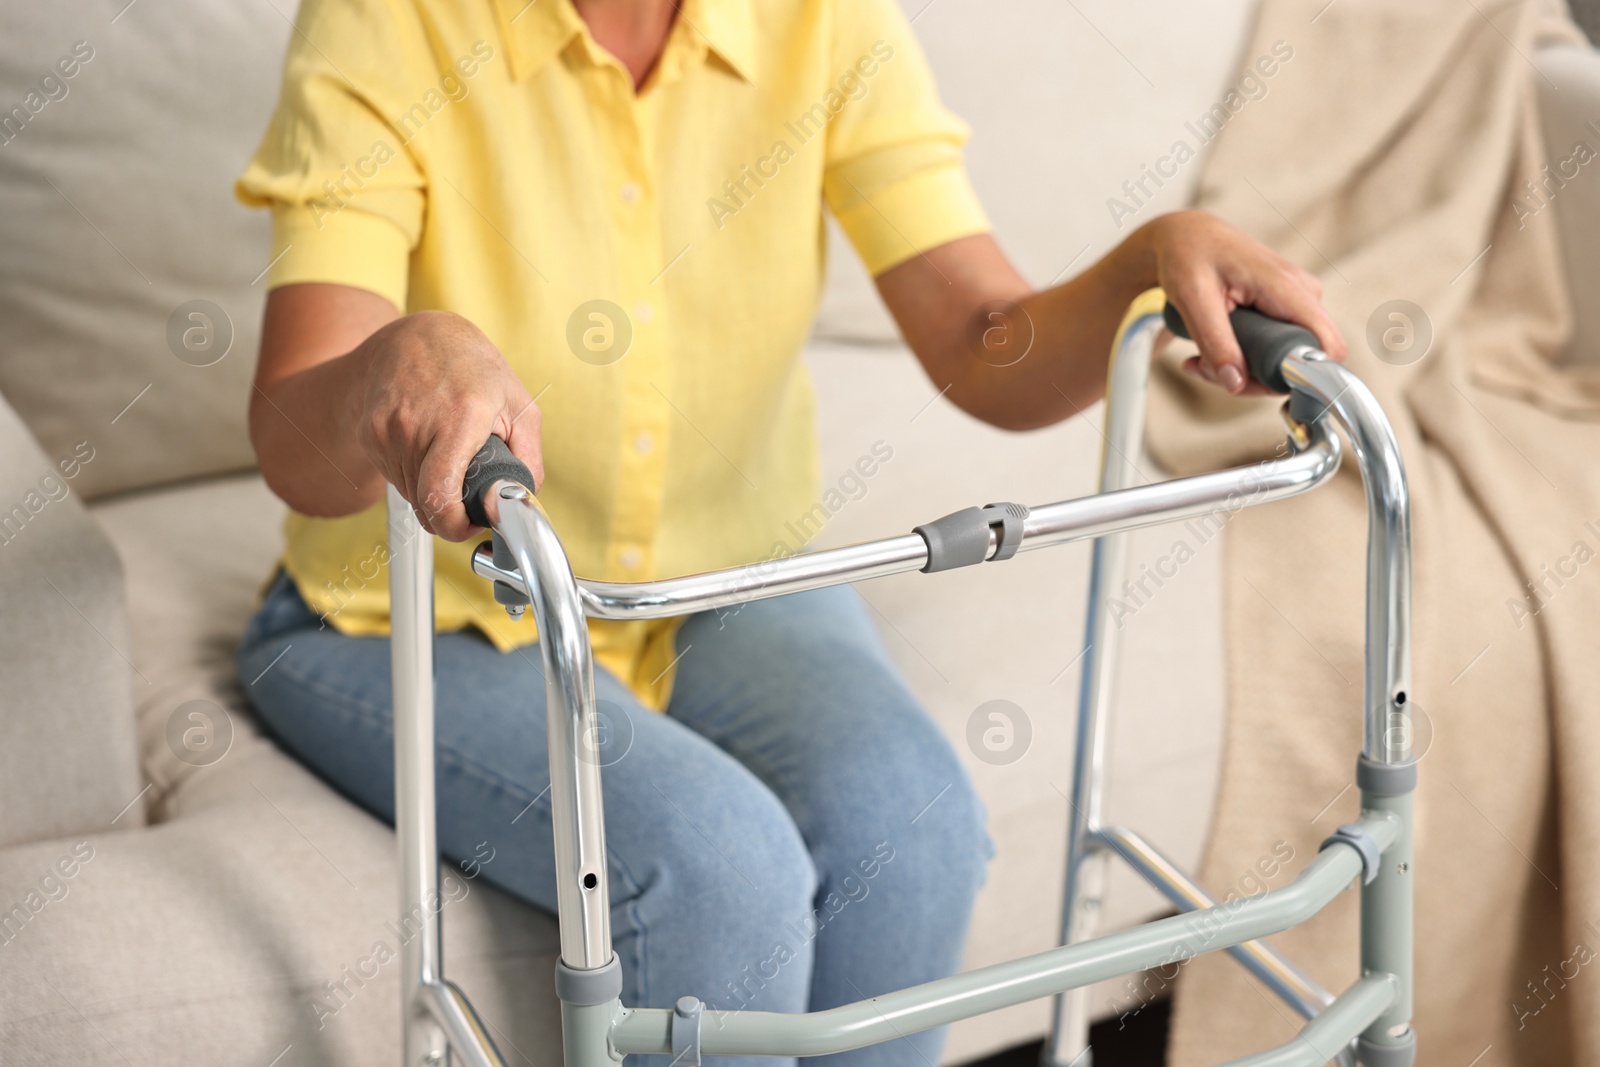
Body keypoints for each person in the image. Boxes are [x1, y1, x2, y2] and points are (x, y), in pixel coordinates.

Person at [233, 0, 1344, 1064]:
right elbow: (295, 438)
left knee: (912, 827)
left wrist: (1146, 261)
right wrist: (397, 358)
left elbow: (980, 341)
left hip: (726, 576)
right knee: (716, 865)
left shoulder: (823, 18)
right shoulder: (386, 17)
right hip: (407, 609)